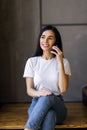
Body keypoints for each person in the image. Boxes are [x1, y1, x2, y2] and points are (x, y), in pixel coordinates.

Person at [23, 25, 71, 130]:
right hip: (36, 104)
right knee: (49, 115)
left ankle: (29, 128)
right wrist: (40, 93)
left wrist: (59, 62)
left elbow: (62, 90)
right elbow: (29, 90)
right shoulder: (32, 62)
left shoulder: (64, 62)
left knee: (49, 96)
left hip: (58, 105)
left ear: (55, 41)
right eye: (43, 37)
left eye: (50, 38)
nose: (45, 41)